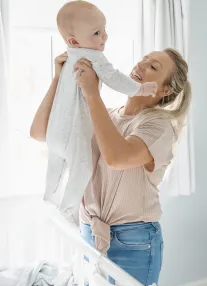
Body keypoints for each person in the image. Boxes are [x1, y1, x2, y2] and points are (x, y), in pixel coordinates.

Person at [31, 47, 191, 286]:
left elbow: (117, 157)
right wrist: (59, 79)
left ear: (165, 90)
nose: (141, 66)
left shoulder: (160, 125)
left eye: (153, 67)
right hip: (90, 232)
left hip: (134, 241)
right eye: (143, 60)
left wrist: (92, 93)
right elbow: (40, 133)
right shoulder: (105, 115)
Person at [44, 0, 157, 225]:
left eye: (104, 30)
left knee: (55, 167)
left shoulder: (67, 58)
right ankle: (67, 211)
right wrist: (141, 89)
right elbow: (115, 78)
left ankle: (49, 197)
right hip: (72, 135)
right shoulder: (93, 57)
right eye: (97, 33)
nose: (104, 37)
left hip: (54, 133)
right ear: (74, 40)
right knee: (82, 169)